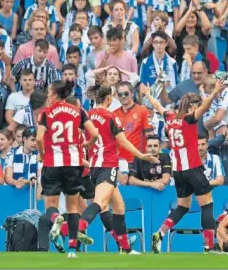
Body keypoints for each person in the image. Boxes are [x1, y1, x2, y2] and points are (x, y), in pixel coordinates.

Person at [140, 77, 227, 254]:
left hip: (177, 171)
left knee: (182, 207)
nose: (198, 107)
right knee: (207, 204)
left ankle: (160, 232)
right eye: (196, 105)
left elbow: (158, 106)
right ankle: (209, 247)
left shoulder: (170, 118)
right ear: (191, 106)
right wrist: (216, 92)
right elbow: (205, 108)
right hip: (193, 168)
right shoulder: (189, 119)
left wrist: (148, 95)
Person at [78, 86, 159, 255]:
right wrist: (141, 155)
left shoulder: (87, 115)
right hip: (108, 165)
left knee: (119, 207)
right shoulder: (111, 116)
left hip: (94, 166)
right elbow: (123, 141)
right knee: (100, 203)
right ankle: (77, 228)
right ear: (108, 98)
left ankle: (125, 248)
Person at [35, 80, 99, 258]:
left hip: (52, 163)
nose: (48, 95)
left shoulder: (46, 113)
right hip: (73, 164)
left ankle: (56, 219)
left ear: (55, 94)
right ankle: (72, 249)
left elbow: (39, 138)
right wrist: (87, 143)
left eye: (49, 92)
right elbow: (94, 134)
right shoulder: (79, 111)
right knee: (73, 208)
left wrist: (42, 154)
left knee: (50, 206)